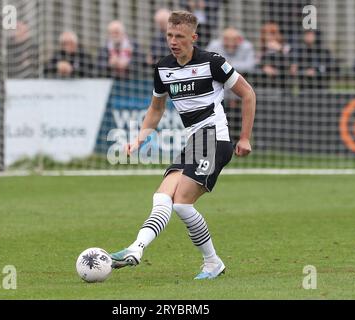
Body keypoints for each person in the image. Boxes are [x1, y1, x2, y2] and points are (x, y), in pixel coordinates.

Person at [110, 11, 256, 280]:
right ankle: (136, 249)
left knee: (182, 204)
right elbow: (156, 108)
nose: (173, 41)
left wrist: (244, 137)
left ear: (193, 37)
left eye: (179, 36)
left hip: (215, 138)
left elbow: (248, 93)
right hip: (195, 141)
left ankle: (211, 263)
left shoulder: (213, 62)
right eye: (169, 35)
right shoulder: (163, 67)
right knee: (162, 197)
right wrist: (140, 138)